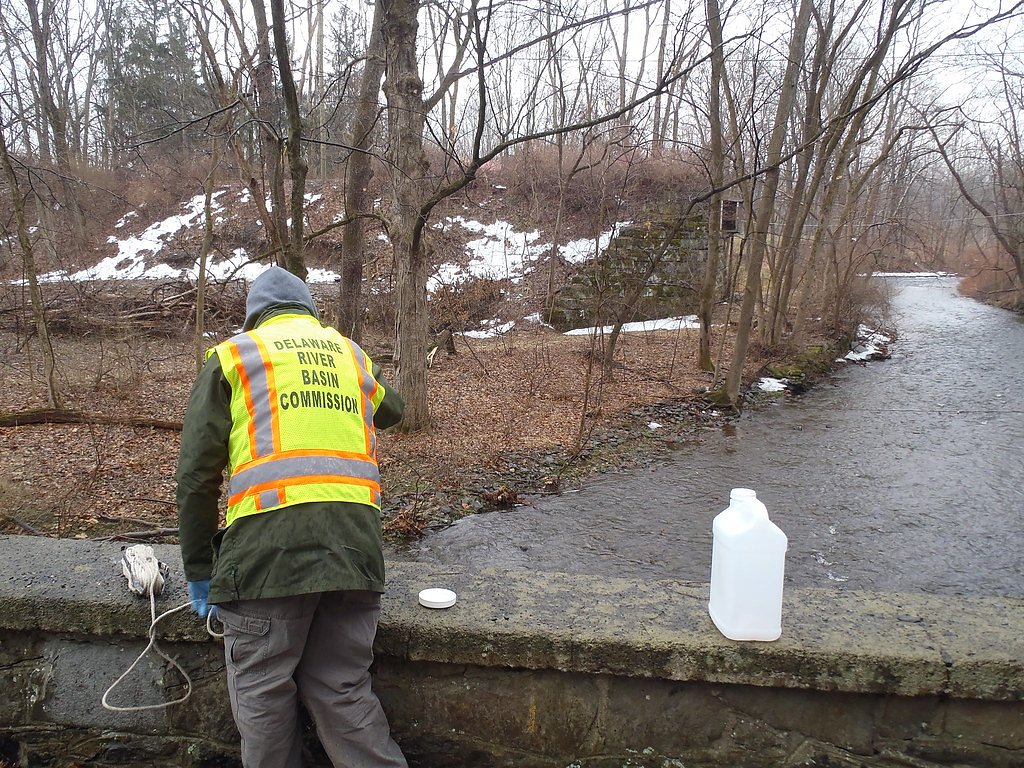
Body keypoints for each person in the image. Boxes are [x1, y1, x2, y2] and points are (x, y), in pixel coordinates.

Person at [176, 265, 409, 768]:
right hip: (355, 555)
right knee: (343, 687)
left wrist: (198, 570)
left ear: (254, 316)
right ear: (311, 310)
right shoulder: (349, 353)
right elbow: (394, 410)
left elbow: (197, 477)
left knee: (263, 693)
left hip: (266, 558)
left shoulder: (235, 357)